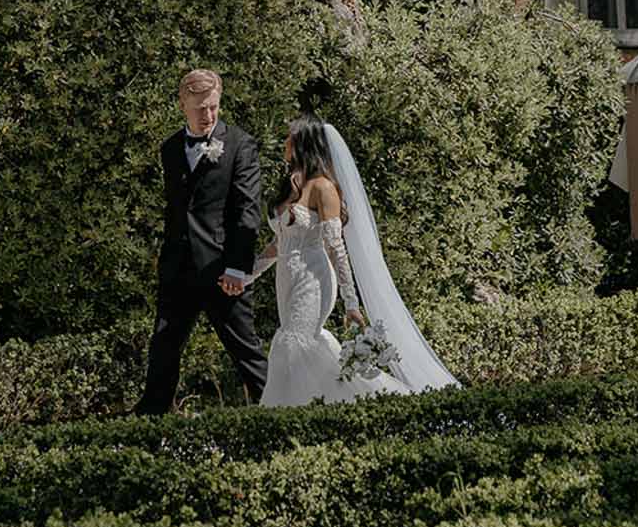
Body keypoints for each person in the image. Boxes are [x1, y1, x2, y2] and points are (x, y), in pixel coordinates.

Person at [250, 113, 456, 407]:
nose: (284, 143)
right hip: (287, 278)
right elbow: (278, 243)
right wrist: (249, 275)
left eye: (289, 138)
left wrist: (351, 303)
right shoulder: (291, 185)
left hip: (313, 278)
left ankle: (291, 413)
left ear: (304, 143)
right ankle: (333, 406)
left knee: (292, 343)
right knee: (297, 344)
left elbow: (336, 247)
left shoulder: (323, 187)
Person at [136, 68, 268, 414]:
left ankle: (280, 412)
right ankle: (147, 425)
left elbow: (247, 211)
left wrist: (238, 268)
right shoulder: (169, 149)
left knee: (246, 353)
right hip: (178, 270)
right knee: (163, 347)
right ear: (182, 105)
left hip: (223, 270)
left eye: (213, 106)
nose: (208, 115)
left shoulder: (241, 145)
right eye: (199, 108)